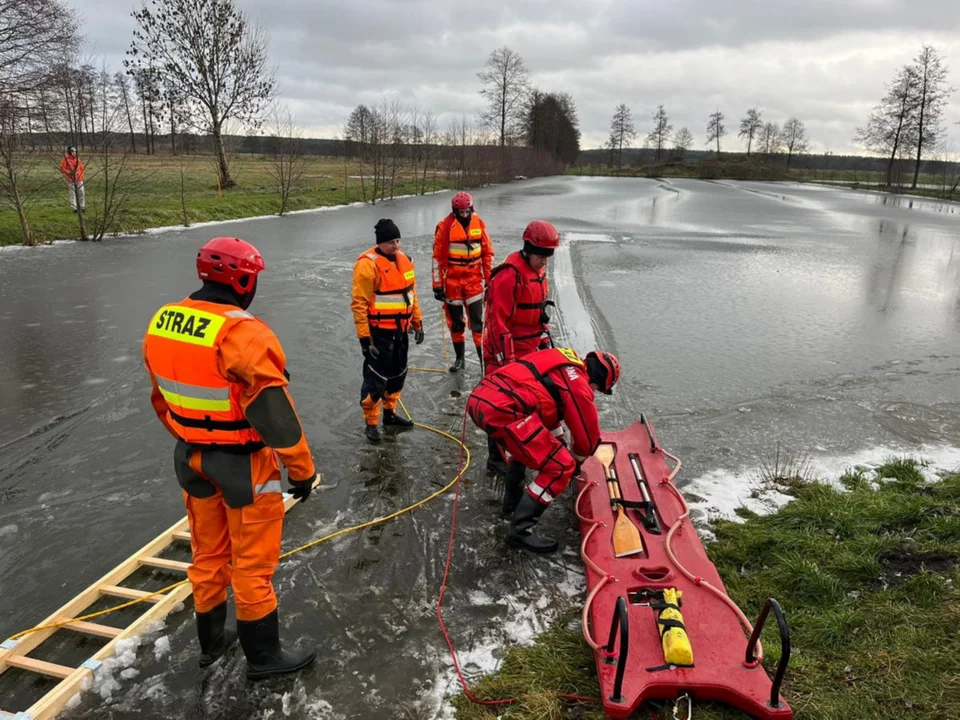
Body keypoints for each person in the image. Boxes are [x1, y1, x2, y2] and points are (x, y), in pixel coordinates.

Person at [142, 236, 318, 680]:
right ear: (244, 280)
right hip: (244, 465)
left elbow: (161, 399)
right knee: (252, 564)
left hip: (191, 459)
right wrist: (302, 471)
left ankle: (212, 644)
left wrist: (192, 437)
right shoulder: (244, 334)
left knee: (208, 555)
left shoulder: (163, 322)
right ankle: (264, 657)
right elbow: (275, 416)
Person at [466, 346, 621, 553]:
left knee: (523, 451)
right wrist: (575, 462)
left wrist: (560, 442)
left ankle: (511, 505)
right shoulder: (579, 387)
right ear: (598, 383)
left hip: (483, 398)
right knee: (560, 466)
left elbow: (546, 407)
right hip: (504, 410)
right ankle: (520, 531)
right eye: (598, 390)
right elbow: (587, 441)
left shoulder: (562, 360)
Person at [480, 220, 559, 476]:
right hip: (504, 350)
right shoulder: (508, 275)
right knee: (501, 405)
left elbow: (538, 312)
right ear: (527, 248)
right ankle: (496, 459)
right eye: (541, 256)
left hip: (530, 347)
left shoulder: (538, 272)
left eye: (548, 256)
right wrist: (507, 361)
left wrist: (545, 343)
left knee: (530, 403)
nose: (544, 261)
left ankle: (522, 452)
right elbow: (496, 321)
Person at [351, 219, 425, 443]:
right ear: (381, 243)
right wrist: (365, 339)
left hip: (400, 332)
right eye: (392, 242)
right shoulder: (368, 265)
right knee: (376, 380)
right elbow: (359, 303)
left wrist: (417, 323)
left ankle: (390, 414)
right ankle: (371, 422)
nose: (396, 245)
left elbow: (412, 296)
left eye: (398, 240)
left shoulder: (406, 262)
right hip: (380, 334)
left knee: (397, 376)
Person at [432, 191, 494, 372]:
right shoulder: (444, 227)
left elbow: (487, 255)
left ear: (471, 209)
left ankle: (484, 360)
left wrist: (490, 281)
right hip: (452, 283)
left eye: (467, 212)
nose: (465, 215)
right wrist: (437, 286)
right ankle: (460, 358)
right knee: (456, 323)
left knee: (477, 322)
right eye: (461, 212)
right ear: (455, 211)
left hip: (474, 281)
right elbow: (437, 259)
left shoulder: (479, 224)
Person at [59, 146, 85, 213]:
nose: (74, 153)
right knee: (72, 194)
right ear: (70, 152)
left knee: (81, 192)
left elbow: (81, 168)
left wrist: (81, 175)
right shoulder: (65, 160)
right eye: (73, 151)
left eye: (75, 151)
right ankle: (74, 208)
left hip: (79, 178)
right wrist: (70, 173)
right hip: (71, 179)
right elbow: (62, 169)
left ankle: (82, 207)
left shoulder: (77, 159)